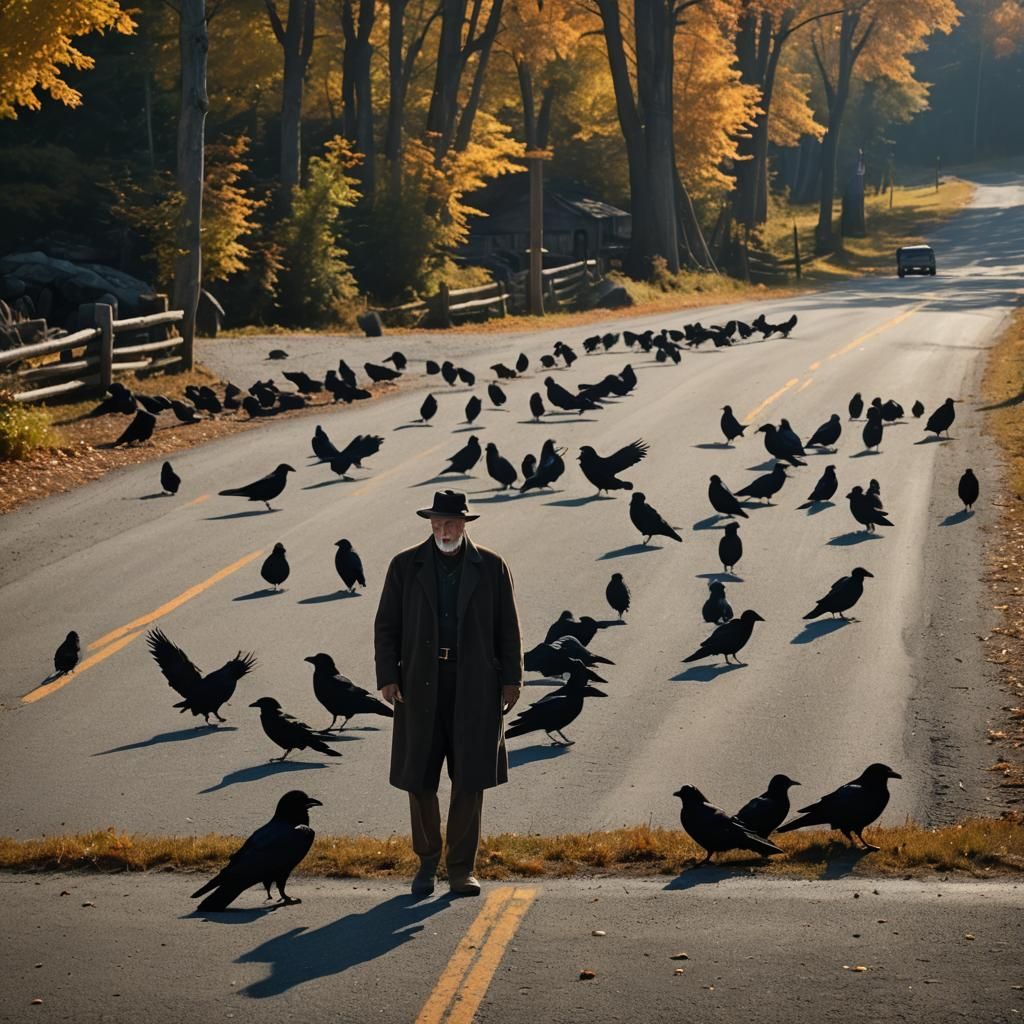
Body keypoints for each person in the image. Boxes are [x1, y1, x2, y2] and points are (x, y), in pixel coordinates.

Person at [374, 489, 523, 897]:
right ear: (430, 525)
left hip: (475, 684)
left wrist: (512, 679)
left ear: (465, 524)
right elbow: (386, 625)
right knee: (418, 776)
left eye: (452, 523)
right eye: (438, 524)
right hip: (418, 684)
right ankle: (426, 864)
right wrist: (388, 675)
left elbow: (508, 626)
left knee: (470, 778)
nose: (444, 531)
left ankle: (461, 868)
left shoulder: (491, 566)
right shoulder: (405, 565)